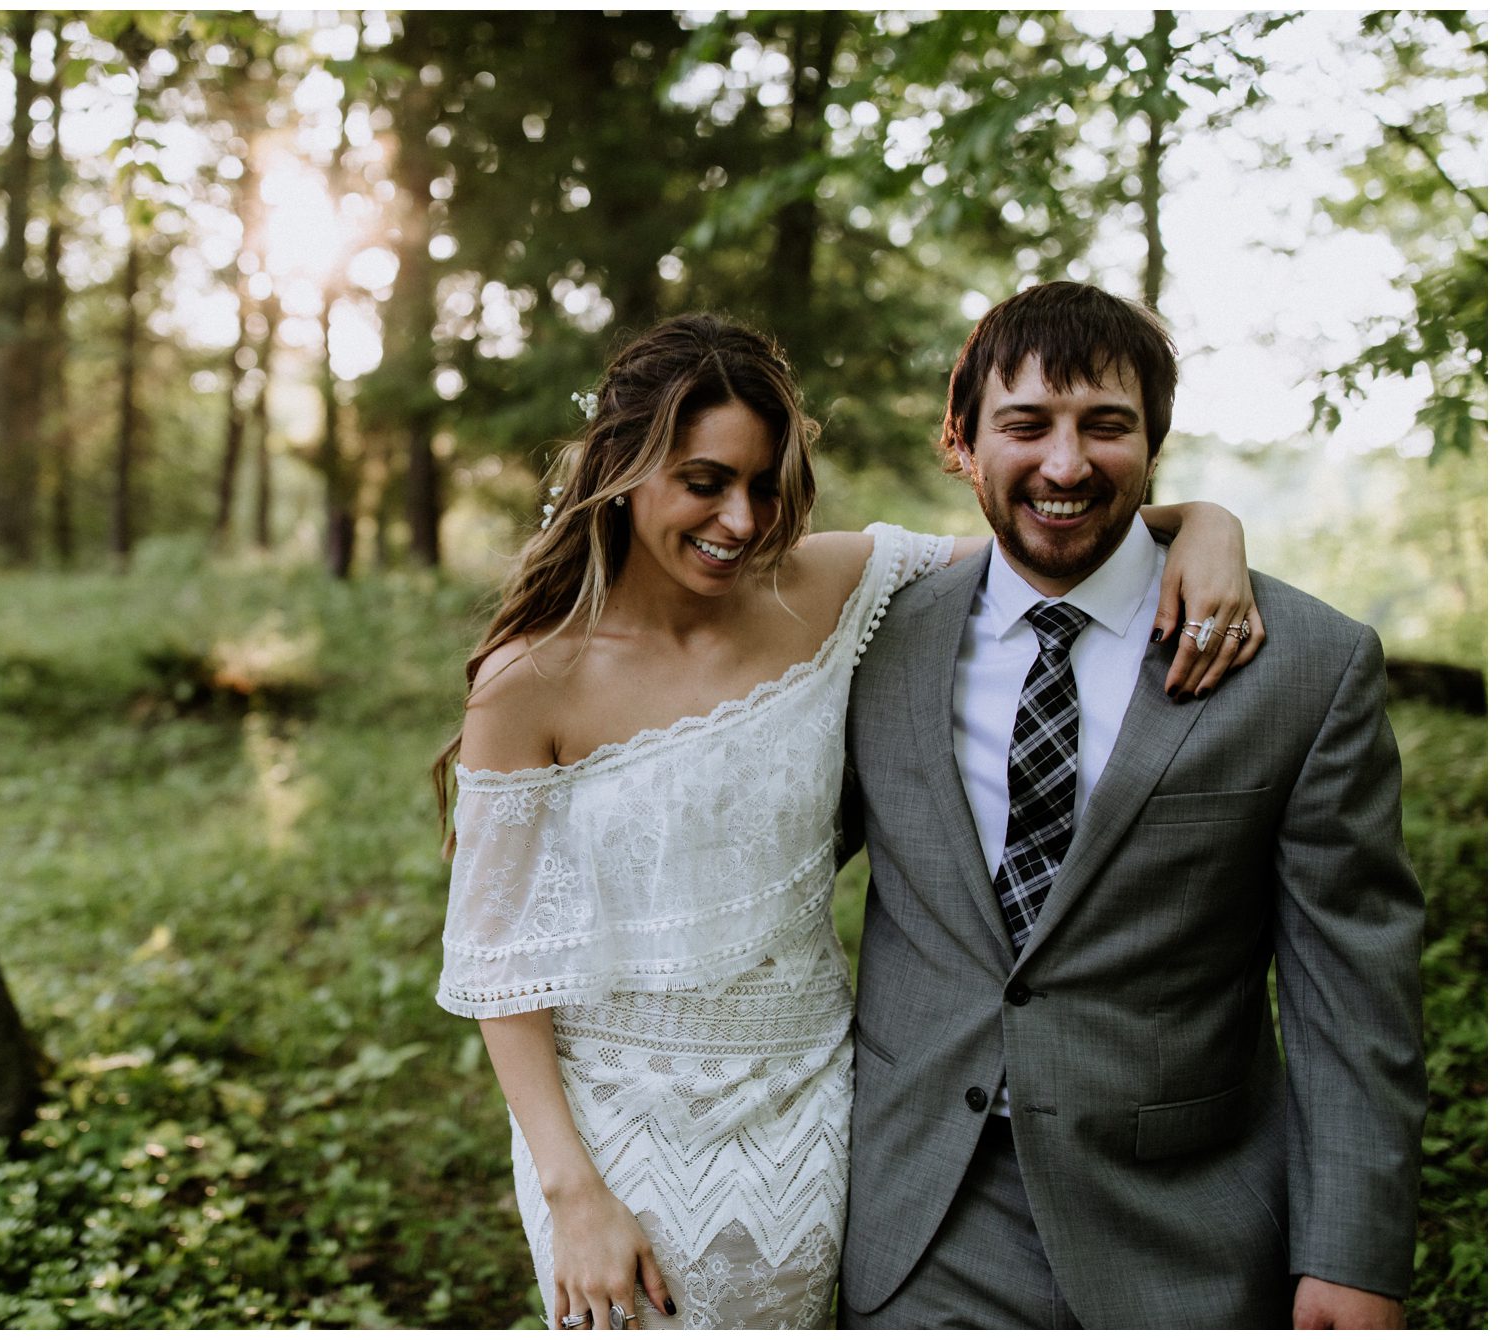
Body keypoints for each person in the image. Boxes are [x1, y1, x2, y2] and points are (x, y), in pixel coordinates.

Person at [432, 313, 1260, 1329]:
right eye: (703, 480)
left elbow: (1044, 531)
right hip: (614, 1129)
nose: (739, 519)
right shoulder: (530, 680)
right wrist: (571, 1190)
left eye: (763, 483)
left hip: (807, 1109)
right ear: (624, 467)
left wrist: (1204, 523)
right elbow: (499, 963)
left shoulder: (831, 586)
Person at [838, 281, 1427, 1328]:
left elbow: (1352, 991)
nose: (1064, 464)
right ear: (960, 439)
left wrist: (1351, 1250)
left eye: (1103, 425)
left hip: (1185, 1235)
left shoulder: (1307, 667)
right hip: (920, 1224)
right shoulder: (871, 643)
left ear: (1150, 441)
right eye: (1024, 425)